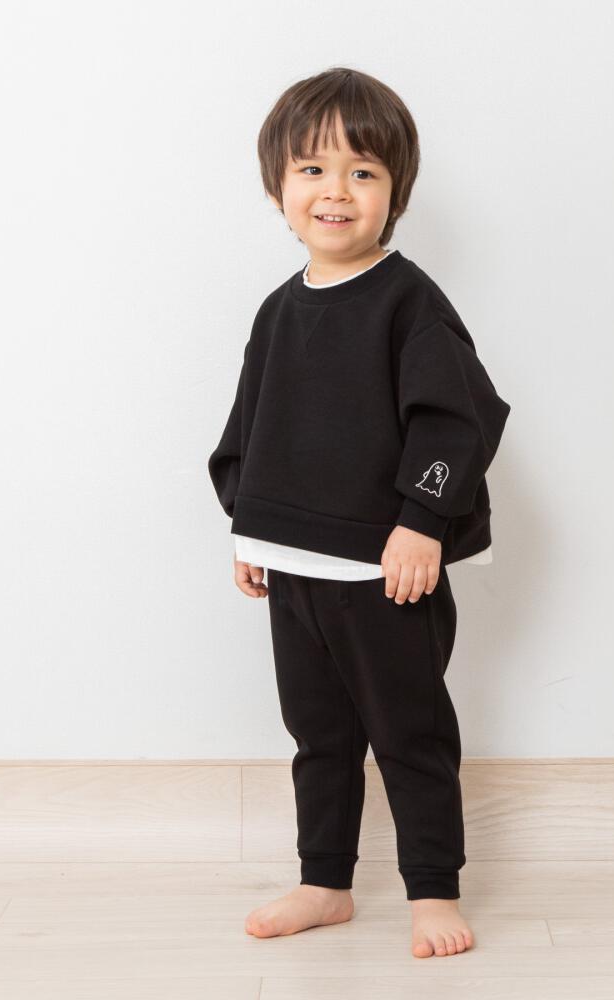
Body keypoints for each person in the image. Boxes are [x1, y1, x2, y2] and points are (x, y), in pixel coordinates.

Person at [207, 66, 511, 959]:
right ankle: (325, 881)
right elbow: (253, 426)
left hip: (386, 572)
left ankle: (432, 889)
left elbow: (458, 417)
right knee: (319, 734)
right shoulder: (278, 312)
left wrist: (422, 521)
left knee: (409, 731)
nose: (335, 190)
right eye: (312, 169)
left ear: (395, 194)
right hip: (296, 570)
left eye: (362, 172)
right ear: (278, 190)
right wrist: (250, 528)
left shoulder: (408, 303)